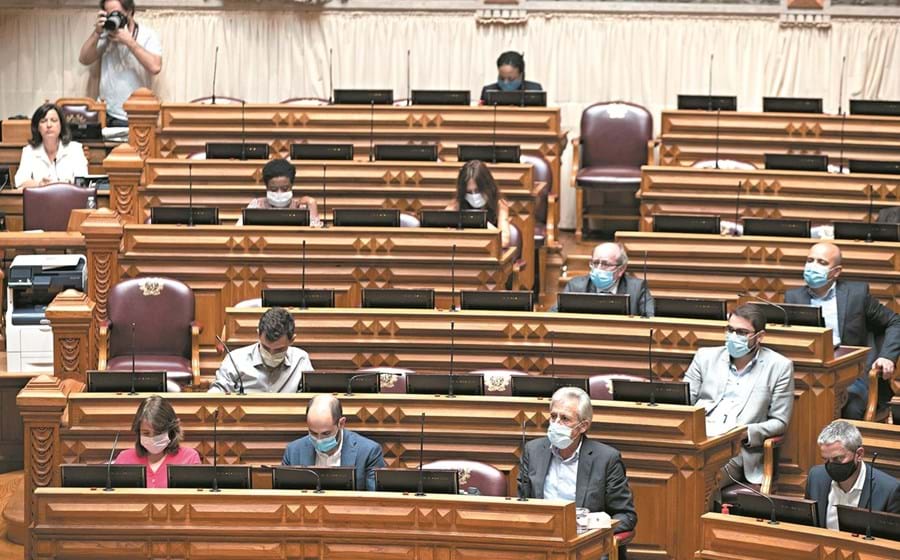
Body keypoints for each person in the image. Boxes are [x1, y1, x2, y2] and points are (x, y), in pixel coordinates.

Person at [784, 242, 899, 419]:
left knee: (848, 407)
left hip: (853, 374)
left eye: (822, 263)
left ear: (836, 271)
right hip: (812, 372)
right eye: (810, 260)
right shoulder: (793, 297)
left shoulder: (856, 294)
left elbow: (894, 321)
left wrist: (887, 356)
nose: (813, 266)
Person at [684, 304, 794, 485]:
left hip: (735, 450)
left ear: (760, 337)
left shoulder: (779, 366)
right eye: (730, 330)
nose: (734, 336)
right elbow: (684, 402)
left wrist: (745, 433)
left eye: (742, 332)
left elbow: (780, 422)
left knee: (701, 477)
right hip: (698, 439)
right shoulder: (705, 357)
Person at [518, 387, 637, 540]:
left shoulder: (607, 459)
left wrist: (590, 527)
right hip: (542, 541)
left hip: (585, 543)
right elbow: (523, 506)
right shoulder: (533, 451)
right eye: (553, 416)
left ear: (583, 426)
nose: (556, 424)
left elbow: (626, 516)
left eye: (565, 419)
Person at [78, 0, 162, 126]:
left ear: (129, 11)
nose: (112, 17)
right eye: (108, 14)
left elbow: (155, 67)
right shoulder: (106, 35)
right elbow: (84, 59)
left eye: (116, 13)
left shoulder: (147, 35)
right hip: (105, 112)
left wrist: (129, 41)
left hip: (134, 114)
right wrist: (97, 33)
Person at [805, 420, 899, 529]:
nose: (831, 465)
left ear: (859, 454)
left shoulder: (889, 491)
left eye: (838, 458)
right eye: (826, 459)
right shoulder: (816, 477)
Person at [282, 394, 385, 491]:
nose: (319, 439)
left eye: (326, 433)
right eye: (313, 433)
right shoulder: (293, 452)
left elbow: (376, 501)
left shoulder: (369, 452)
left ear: (341, 423)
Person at [208, 307, 313, 393]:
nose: (271, 354)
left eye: (279, 350)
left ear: (292, 340)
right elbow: (217, 393)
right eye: (266, 348)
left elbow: (310, 397)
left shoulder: (301, 360)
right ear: (258, 334)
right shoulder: (235, 359)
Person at [114, 395, 201, 488]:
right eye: (146, 433)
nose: (152, 438)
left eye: (158, 433)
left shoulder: (189, 458)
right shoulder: (124, 459)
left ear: (171, 431)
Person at [554, 242, 654, 316]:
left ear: (621, 269)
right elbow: (552, 316)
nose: (598, 268)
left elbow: (651, 320)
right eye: (596, 263)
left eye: (605, 264)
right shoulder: (575, 286)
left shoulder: (637, 288)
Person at [14, 103, 89, 188]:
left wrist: (67, 184)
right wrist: (39, 184)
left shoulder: (75, 149)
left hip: (68, 199)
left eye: (53, 120)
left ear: (61, 125)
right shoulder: (29, 151)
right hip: (40, 199)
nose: (49, 125)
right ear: (37, 127)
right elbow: (20, 182)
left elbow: (83, 182)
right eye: (43, 121)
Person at [446, 160, 510, 247]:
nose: (473, 196)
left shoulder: (500, 205)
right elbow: (443, 234)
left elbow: (504, 241)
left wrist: (483, 225)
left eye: (477, 191)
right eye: (469, 192)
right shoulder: (457, 204)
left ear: (488, 187)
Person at [243, 158, 321, 226]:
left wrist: (312, 205)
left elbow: (315, 238)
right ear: (266, 187)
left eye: (285, 188)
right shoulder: (256, 205)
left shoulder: (301, 209)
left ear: (292, 186)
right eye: (273, 189)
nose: (279, 193)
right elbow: (239, 231)